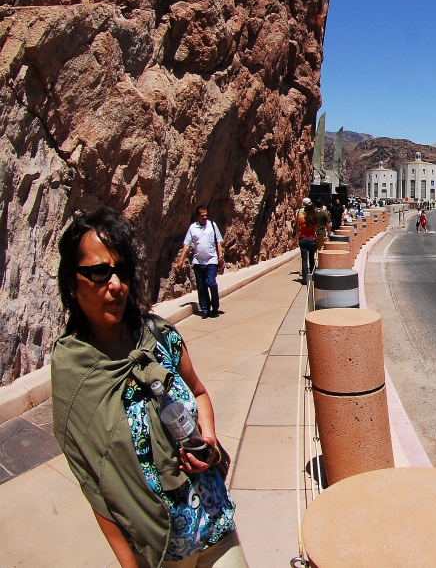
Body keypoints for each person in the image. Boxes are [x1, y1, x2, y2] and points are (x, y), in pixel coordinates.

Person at [52, 207, 247, 568]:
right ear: (70, 284)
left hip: (214, 523)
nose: (114, 284)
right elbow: (96, 486)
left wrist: (208, 440)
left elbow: (199, 393)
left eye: (121, 271)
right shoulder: (74, 374)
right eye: (98, 272)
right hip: (159, 552)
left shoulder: (158, 336)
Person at [176, 206, 223, 319]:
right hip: (198, 262)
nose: (204, 217)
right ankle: (205, 309)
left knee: (211, 283)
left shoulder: (212, 225)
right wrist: (181, 259)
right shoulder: (193, 228)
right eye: (202, 215)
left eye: (206, 215)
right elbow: (187, 244)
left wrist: (220, 256)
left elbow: (218, 242)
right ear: (198, 216)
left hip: (211, 260)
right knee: (201, 287)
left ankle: (215, 307)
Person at [295, 198, 318, 283]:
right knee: (312, 258)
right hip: (312, 239)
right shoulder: (314, 218)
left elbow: (298, 230)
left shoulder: (300, 218)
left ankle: (304, 279)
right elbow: (316, 228)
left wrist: (297, 239)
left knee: (304, 259)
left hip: (303, 238)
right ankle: (312, 276)